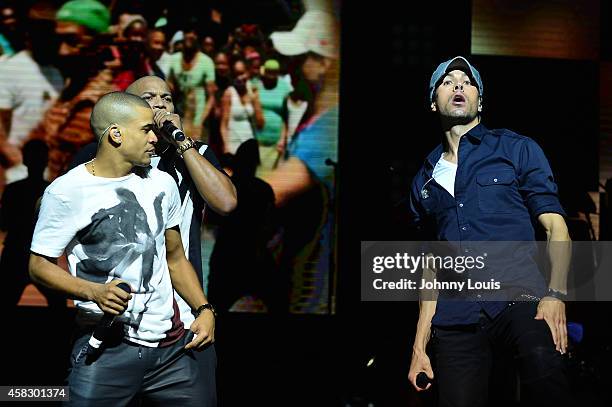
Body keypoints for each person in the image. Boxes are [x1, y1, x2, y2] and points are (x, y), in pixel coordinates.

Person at [405, 56, 574, 407]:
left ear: (479, 100)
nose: (458, 85)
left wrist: (556, 294)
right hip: (456, 318)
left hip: (520, 298)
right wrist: (419, 346)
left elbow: (556, 227)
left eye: (467, 82)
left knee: (545, 372)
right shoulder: (423, 179)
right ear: (432, 100)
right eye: (447, 81)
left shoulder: (516, 149)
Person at [29, 92, 215, 405]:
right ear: (116, 133)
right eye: (146, 129)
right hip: (107, 347)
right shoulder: (66, 192)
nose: (155, 138)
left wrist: (204, 308)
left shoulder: (162, 183)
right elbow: (38, 266)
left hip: (172, 350)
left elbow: (175, 258)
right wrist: (94, 292)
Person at [70, 76, 237, 405]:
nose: (161, 104)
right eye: (150, 97)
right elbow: (52, 213)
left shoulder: (194, 153)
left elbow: (226, 202)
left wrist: (182, 144)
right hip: (114, 321)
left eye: (167, 98)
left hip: (185, 323)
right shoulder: (98, 155)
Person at [262, 8, 339, 314]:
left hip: (314, 287)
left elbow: (271, 192)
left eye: (297, 59)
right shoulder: (313, 117)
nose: (287, 69)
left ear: (323, 62)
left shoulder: (330, 128)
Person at [26, 0, 119, 180]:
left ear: (99, 44)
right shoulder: (69, 92)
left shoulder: (107, 104)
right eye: (59, 41)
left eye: (72, 41)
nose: (63, 52)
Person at [0, 7, 63, 184]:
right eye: (41, 32)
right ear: (28, 34)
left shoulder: (56, 73)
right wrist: (21, 166)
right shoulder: (9, 69)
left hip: (51, 174)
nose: (49, 38)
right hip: (18, 175)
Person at [0, 140, 65, 310]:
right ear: (46, 161)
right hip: (42, 254)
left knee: (5, 305)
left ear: (25, 160)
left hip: (15, 255)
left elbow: (4, 222)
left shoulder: (14, 190)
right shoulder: (52, 190)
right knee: (58, 306)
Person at [167, 25, 216, 142]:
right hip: (179, 120)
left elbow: (211, 98)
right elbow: (168, 88)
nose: (191, 35)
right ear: (183, 35)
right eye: (188, 32)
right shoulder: (173, 60)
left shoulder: (206, 62)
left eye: (195, 33)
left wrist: (200, 123)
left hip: (199, 121)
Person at [250, 59, 293, 175]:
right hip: (257, 141)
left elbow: (286, 116)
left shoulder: (284, 87)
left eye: (274, 73)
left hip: (276, 143)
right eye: (268, 73)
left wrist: (282, 139)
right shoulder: (256, 84)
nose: (271, 77)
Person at [220, 59, 264, 155]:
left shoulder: (252, 92)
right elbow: (223, 124)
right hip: (233, 145)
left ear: (247, 73)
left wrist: (255, 100)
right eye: (236, 74)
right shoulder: (229, 93)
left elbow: (260, 123)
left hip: (249, 143)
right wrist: (226, 146)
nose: (239, 78)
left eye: (241, 73)